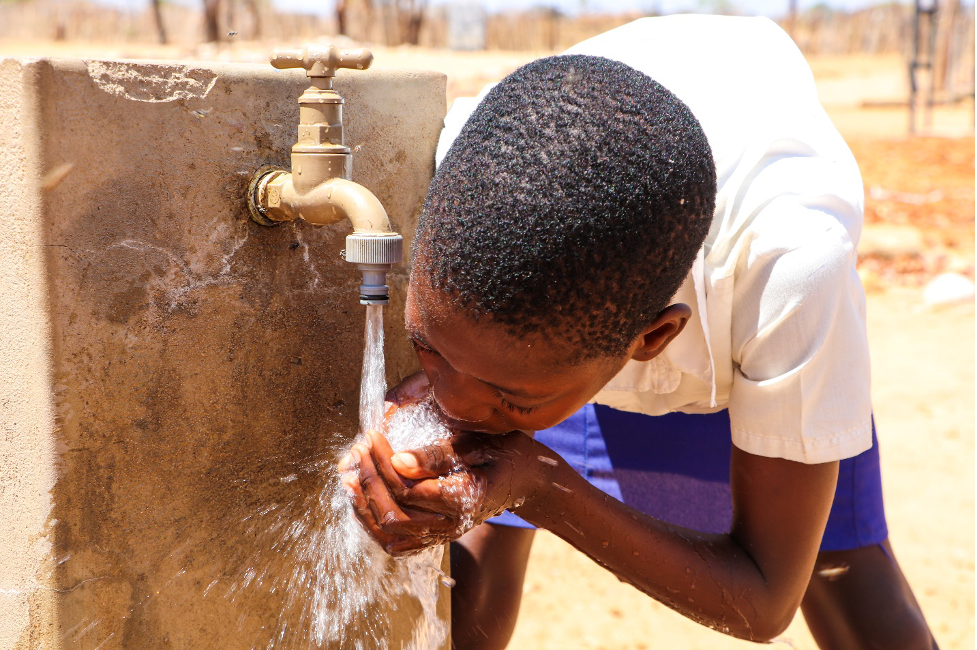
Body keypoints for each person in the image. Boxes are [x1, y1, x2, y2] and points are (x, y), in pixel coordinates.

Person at [339, 15, 939, 650]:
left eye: (509, 398)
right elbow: (486, 375)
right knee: (471, 580)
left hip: (718, 324)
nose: (453, 406)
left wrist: (537, 484)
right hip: (557, 343)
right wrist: (463, 419)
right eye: (429, 347)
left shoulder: (790, 272)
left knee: (838, 571)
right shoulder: (469, 177)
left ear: (651, 340)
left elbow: (764, 600)